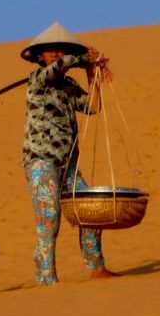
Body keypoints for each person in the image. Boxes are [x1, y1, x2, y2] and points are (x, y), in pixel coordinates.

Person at [20, 22, 120, 284]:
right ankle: (45, 275)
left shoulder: (68, 85)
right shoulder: (37, 80)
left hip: (67, 162)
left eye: (58, 49)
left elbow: (91, 107)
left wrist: (91, 72)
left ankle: (97, 266)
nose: (54, 53)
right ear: (40, 56)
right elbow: (57, 68)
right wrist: (80, 58)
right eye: (49, 50)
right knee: (49, 217)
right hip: (42, 160)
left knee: (88, 209)